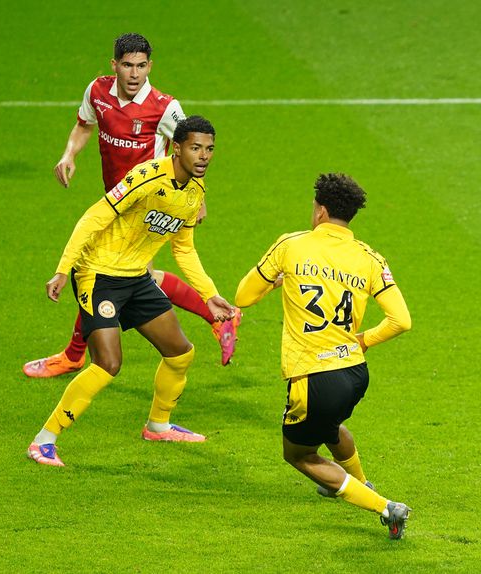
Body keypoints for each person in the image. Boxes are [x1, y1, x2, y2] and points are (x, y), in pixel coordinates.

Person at [23, 33, 240, 377]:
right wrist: (69, 155)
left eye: (141, 66)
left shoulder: (164, 106)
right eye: (127, 65)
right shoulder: (97, 91)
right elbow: (83, 125)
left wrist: (197, 195)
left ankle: (73, 355)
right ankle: (218, 316)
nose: (134, 73)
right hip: (116, 199)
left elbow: (188, 147)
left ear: (149, 66)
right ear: (115, 65)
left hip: (145, 205)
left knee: (101, 272)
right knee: (127, 275)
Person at [27, 116, 235, 467]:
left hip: (137, 278)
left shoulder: (194, 192)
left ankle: (158, 425)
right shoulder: (147, 176)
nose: (203, 156)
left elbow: (183, 248)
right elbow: (94, 217)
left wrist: (209, 293)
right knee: (108, 364)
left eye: (209, 149)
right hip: (99, 274)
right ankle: (44, 440)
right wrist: (64, 268)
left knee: (180, 353)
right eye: (196, 148)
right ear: (178, 147)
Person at [235, 174, 413, 540]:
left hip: (313, 376)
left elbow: (243, 296)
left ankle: (385, 508)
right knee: (329, 429)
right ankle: (363, 484)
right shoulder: (369, 258)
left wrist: (278, 279)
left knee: (299, 455)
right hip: (354, 372)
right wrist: (363, 340)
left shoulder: (291, 245)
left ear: (321, 210)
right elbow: (401, 321)